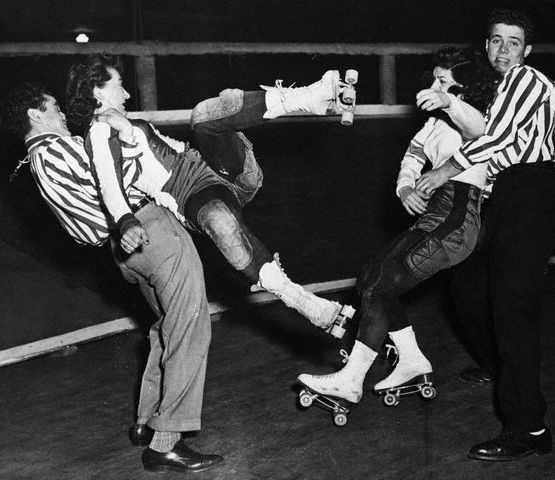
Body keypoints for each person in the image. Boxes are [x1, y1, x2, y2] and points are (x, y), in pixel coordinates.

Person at [1, 83, 224, 474]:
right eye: (53, 107)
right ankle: (166, 443)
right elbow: (120, 172)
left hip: (124, 251)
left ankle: (148, 421)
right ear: (35, 115)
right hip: (150, 230)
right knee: (190, 328)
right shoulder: (60, 149)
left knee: (168, 327)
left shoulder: (36, 162)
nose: (63, 113)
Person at [64, 54, 355, 338]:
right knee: (220, 221)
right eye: (118, 85)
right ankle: (311, 307)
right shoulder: (99, 135)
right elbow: (108, 183)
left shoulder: (114, 124)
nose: (127, 94)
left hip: (225, 171)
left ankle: (312, 95)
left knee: (204, 115)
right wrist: (126, 220)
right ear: (96, 92)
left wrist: (128, 131)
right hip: (194, 195)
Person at [296, 48, 499, 406]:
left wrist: (447, 101)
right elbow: (413, 155)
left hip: (457, 221)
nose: (434, 86)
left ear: (463, 87)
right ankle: (411, 360)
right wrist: (405, 187)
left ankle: (351, 379)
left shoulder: (474, 116)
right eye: (434, 79)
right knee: (372, 275)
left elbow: (478, 128)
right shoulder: (435, 123)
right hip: (437, 216)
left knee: (381, 284)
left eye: (443, 81)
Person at [414, 9, 555, 461]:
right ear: (486, 45)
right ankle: (499, 366)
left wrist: (443, 170)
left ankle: (530, 430)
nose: (503, 50)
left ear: (527, 50)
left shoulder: (528, 80)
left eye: (513, 42)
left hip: (532, 199)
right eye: (496, 41)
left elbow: (497, 140)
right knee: (465, 286)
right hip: (507, 197)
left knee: (513, 310)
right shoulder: (497, 89)